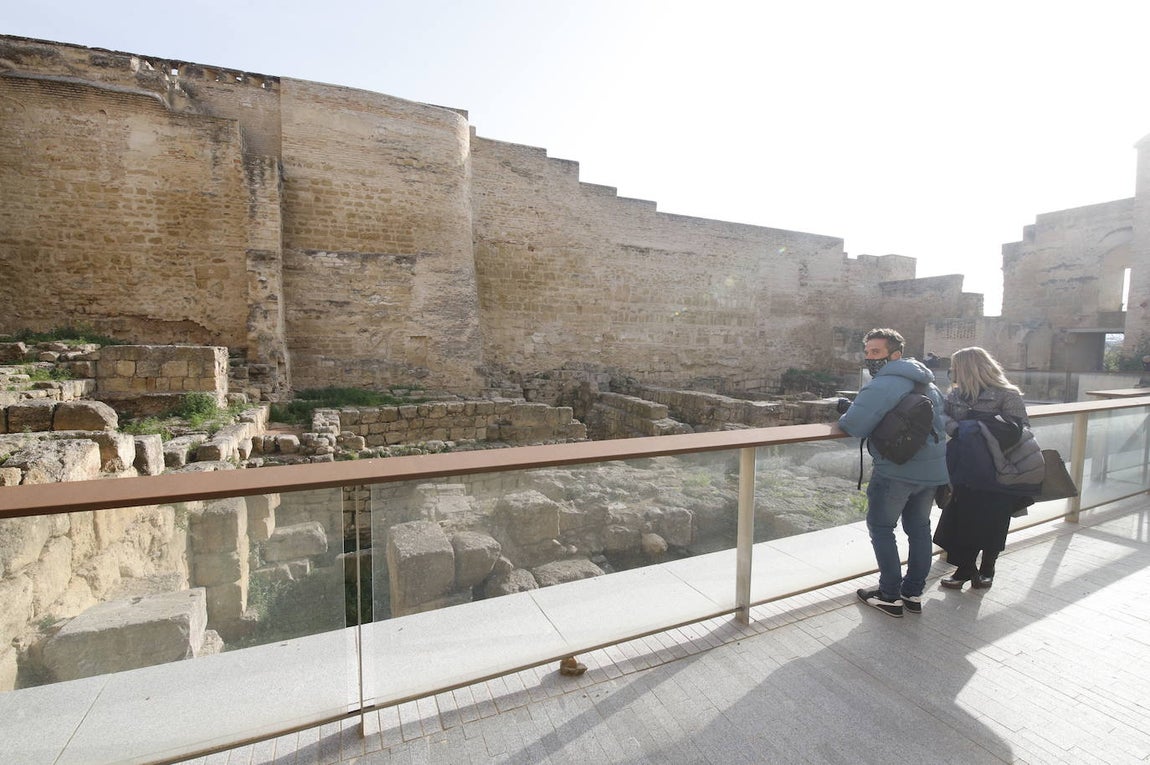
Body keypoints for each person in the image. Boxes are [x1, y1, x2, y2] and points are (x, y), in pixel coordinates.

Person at [837, 328, 948, 617]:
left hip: (897, 470)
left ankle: (889, 594)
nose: (870, 358)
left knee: (882, 527)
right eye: (868, 352)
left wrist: (844, 410)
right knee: (919, 529)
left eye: (876, 352)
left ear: (895, 355)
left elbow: (854, 425)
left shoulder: (883, 384)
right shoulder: (929, 383)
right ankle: (912, 593)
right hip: (932, 470)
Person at [932, 346, 1030, 590]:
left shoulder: (1008, 394)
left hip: (999, 467)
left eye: (955, 367)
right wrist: (957, 428)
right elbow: (940, 417)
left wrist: (980, 430)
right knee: (961, 517)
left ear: (967, 368)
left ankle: (988, 568)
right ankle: (965, 568)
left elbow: (1021, 430)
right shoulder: (955, 395)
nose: (951, 372)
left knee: (994, 518)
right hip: (966, 467)